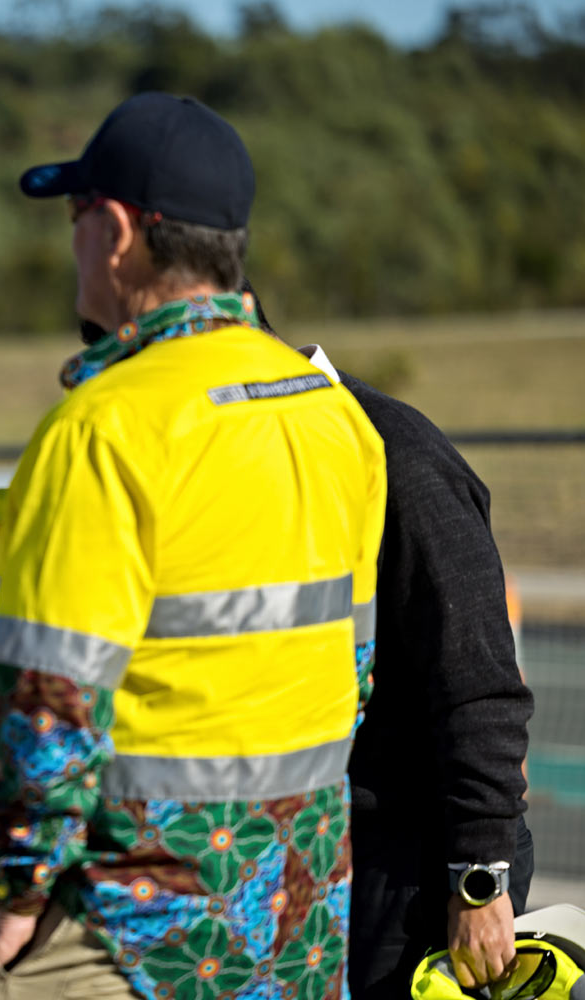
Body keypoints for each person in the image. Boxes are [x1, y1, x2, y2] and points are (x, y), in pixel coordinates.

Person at [0, 92, 387, 1000]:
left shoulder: (103, 429)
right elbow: (357, 666)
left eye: (74, 219)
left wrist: (17, 902)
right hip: (296, 913)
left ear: (113, 231)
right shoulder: (334, 415)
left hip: (137, 923)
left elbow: (51, 704)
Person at [244, 288, 535, 999]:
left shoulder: (396, 455)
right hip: (316, 851)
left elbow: (480, 685)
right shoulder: (266, 463)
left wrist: (478, 881)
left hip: (413, 867)